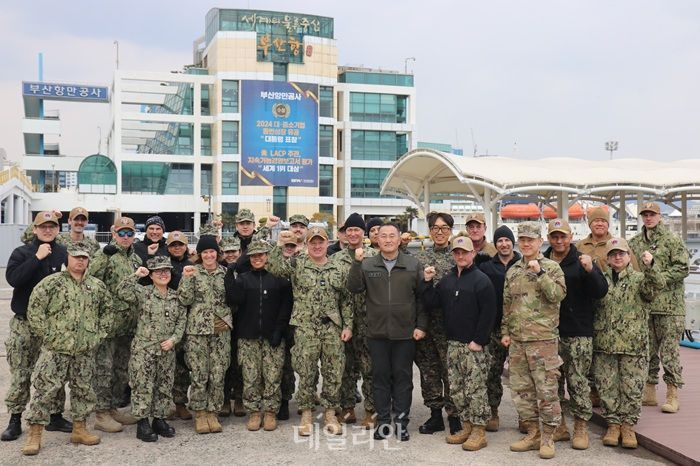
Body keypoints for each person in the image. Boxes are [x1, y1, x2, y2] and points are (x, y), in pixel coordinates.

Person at [21, 242, 111, 455]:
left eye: (84, 257)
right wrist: (48, 335)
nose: (80, 260)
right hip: (55, 350)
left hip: (84, 350)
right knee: (45, 391)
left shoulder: (96, 286)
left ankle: (79, 429)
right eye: (76, 257)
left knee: (83, 390)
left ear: (88, 260)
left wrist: (97, 336)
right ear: (67, 258)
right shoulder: (52, 283)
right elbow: (34, 310)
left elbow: (107, 312)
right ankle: (35, 434)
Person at [266, 226, 352, 437]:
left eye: (320, 242)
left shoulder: (338, 267)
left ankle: (330, 412)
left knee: (333, 371)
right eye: (312, 242)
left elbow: (346, 299)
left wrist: (348, 325)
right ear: (307, 244)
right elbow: (274, 267)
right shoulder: (297, 264)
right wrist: (279, 244)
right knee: (306, 371)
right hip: (305, 327)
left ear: (326, 243)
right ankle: (306, 413)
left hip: (332, 327)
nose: (316, 246)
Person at [347, 223, 427, 442]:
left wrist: (421, 326)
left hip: (405, 334)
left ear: (400, 239)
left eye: (393, 236)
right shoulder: (368, 264)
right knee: (379, 379)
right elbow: (353, 287)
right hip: (377, 333)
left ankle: (401, 423)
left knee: (403, 380)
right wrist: (356, 262)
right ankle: (382, 422)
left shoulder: (412, 264)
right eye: (384, 236)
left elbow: (422, 298)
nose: (388, 240)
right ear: (377, 240)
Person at [3, 211, 72, 442]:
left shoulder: (64, 253)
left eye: (52, 226)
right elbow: (13, 279)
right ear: (35, 229)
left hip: (53, 326)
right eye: (43, 226)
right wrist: (37, 258)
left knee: (55, 374)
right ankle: (15, 419)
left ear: (57, 229)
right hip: (25, 324)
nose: (48, 230)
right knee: (22, 372)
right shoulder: (22, 252)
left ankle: (55, 415)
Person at [423, 236, 496, 451]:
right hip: (453, 345)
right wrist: (427, 282)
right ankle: (466, 425)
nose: (461, 256)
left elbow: (489, 313)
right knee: (457, 390)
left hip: (473, 346)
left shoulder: (482, 281)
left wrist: (479, 340)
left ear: (473, 253)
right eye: (457, 252)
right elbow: (432, 303)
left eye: (464, 252)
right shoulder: (447, 280)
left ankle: (479, 430)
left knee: (475, 390)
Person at [502, 221, 566, 459]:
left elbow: (557, 295)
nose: (526, 243)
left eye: (531, 239)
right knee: (521, 390)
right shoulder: (513, 271)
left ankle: (549, 435)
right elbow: (507, 305)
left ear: (541, 242)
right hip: (518, 341)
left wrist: (540, 273)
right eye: (523, 239)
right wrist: (505, 332)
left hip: (543, 341)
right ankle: (533, 433)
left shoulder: (552, 268)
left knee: (547, 389)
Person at [543, 219, 608, 450]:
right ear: (549, 238)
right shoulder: (542, 262)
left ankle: (581, 426)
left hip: (578, 331)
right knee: (552, 382)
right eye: (554, 236)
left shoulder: (582, 260)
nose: (559, 241)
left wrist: (591, 271)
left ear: (570, 237)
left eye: (563, 236)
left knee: (578, 382)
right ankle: (559, 425)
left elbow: (601, 291)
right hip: (549, 333)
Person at [594, 238, 661, 448]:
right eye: (613, 254)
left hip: (633, 345)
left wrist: (651, 266)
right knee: (607, 385)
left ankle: (628, 426)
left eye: (621, 253)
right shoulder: (600, 281)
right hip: (605, 343)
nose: (617, 257)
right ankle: (613, 424)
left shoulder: (640, 279)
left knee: (632, 387)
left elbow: (655, 287)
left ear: (628, 256)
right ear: (608, 258)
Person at [226, 240, 293, 432]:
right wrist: (230, 274)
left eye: (261, 255)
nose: (257, 259)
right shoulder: (243, 279)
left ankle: (270, 411)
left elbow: (285, 306)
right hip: (248, 337)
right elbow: (234, 299)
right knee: (250, 376)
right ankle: (254, 412)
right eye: (253, 256)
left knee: (272, 376)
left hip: (273, 335)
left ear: (268, 256)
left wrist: (279, 330)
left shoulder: (278, 279)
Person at [118, 257, 186, 442]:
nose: (163, 274)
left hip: (166, 350)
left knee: (164, 386)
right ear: (151, 274)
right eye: (158, 271)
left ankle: (159, 419)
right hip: (144, 349)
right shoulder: (143, 292)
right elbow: (122, 292)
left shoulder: (175, 296)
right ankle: (142, 423)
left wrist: (174, 340)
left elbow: (181, 322)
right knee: (143, 386)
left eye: (166, 271)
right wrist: (135, 275)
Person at [628, 202, 689, 413]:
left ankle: (672, 393)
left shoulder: (672, 240)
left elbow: (682, 268)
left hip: (670, 306)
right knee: (647, 350)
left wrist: (658, 277)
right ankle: (650, 390)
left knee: (670, 352)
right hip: (646, 306)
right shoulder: (635, 243)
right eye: (644, 214)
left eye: (652, 214)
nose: (648, 218)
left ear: (659, 216)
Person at [87, 216, 143, 432]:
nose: (126, 237)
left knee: (121, 370)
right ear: (114, 233)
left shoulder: (135, 259)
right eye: (122, 233)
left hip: (129, 325)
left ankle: (112, 408)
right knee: (104, 369)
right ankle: (101, 413)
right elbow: (90, 279)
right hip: (109, 325)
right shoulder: (105, 254)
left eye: (130, 233)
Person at [178, 235, 232, 434]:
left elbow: (232, 299)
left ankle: (213, 412)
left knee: (218, 373)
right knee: (200, 374)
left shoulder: (226, 273)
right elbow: (184, 300)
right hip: (197, 331)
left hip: (221, 331)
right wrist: (185, 278)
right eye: (205, 252)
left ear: (217, 254)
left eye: (212, 251)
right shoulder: (193, 272)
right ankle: (200, 413)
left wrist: (226, 319)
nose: (209, 255)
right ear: (200, 254)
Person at [414, 212, 459, 435]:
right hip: (426, 325)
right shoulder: (421, 259)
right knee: (429, 371)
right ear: (430, 231)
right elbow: (416, 293)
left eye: (444, 228)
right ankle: (434, 415)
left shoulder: (457, 256)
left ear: (451, 230)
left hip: (450, 325)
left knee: (450, 371)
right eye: (435, 228)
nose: (439, 232)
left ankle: (454, 415)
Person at [331, 213, 378, 429]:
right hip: (343, 322)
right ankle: (348, 408)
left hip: (368, 319)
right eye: (348, 230)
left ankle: (371, 410)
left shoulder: (374, 256)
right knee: (346, 367)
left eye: (356, 229)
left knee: (369, 367)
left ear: (363, 233)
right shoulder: (336, 259)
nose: (352, 233)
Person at [478, 225, 520, 432]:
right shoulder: (487, 267)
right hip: (494, 328)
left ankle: (525, 416)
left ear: (513, 243)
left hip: (519, 327)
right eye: (500, 241)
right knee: (493, 371)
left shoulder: (523, 264)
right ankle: (493, 411)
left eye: (507, 240)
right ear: (495, 245)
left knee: (521, 374)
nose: (504, 244)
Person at [165, 230, 194, 421]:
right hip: (166, 317)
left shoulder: (192, 265)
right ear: (168, 247)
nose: (177, 248)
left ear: (186, 247)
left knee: (183, 362)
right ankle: (165, 403)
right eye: (173, 245)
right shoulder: (162, 264)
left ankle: (180, 402)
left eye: (180, 244)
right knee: (166, 363)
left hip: (188, 317)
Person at [219, 236, 245, 418]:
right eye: (227, 252)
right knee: (225, 361)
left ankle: (240, 398)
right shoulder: (219, 272)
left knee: (240, 361)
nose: (230, 255)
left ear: (240, 252)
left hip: (243, 320)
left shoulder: (246, 270)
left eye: (234, 251)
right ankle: (225, 399)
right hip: (223, 321)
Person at [577, 206, 640, 273]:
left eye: (603, 221)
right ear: (590, 224)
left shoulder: (619, 244)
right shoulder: (580, 246)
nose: (600, 224)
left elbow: (635, 270)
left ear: (608, 224)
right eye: (596, 221)